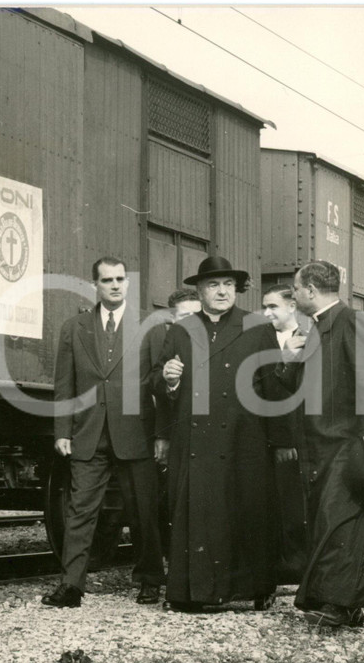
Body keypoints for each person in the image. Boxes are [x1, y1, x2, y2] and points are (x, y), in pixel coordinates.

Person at [153, 256, 283, 613]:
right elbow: (156, 379)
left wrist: (281, 441)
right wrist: (170, 378)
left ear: (236, 288)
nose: (222, 291)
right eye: (213, 285)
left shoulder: (257, 326)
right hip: (195, 442)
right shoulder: (181, 330)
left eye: (228, 284)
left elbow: (273, 385)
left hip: (246, 439)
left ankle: (254, 590)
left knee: (248, 511)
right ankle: (192, 593)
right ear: (200, 290)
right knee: (196, 513)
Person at [279, 260, 364, 627]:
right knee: (328, 519)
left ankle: (342, 606)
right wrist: (288, 358)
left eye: (296, 289)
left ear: (311, 290)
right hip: (321, 444)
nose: (293, 295)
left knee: (346, 521)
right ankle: (331, 600)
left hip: (349, 442)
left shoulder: (352, 321)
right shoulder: (316, 328)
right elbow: (296, 385)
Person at [43, 257, 164, 608]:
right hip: (89, 433)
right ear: (94, 284)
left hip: (135, 433)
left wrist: (161, 434)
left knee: (143, 511)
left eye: (120, 279)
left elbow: (157, 381)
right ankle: (71, 586)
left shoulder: (150, 326)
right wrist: (62, 431)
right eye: (107, 280)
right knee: (80, 511)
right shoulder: (74, 327)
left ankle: (149, 579)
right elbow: (64, 384)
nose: (114, 285)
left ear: (128, 283)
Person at [147, 288, 202, 556]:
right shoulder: (163, 342)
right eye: (185, 316)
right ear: (172, 318)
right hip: (170, 435)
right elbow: (155, 390)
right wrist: (162, 435)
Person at [261, 284, 309, 584]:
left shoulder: (307, 340)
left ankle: (296, 569)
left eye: (273, 307)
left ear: (292, 306)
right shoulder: (260, 338)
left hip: (291, 439)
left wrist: (286, 439)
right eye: (264, 307)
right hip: (260, 437)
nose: (266, 313)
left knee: (293, 506)